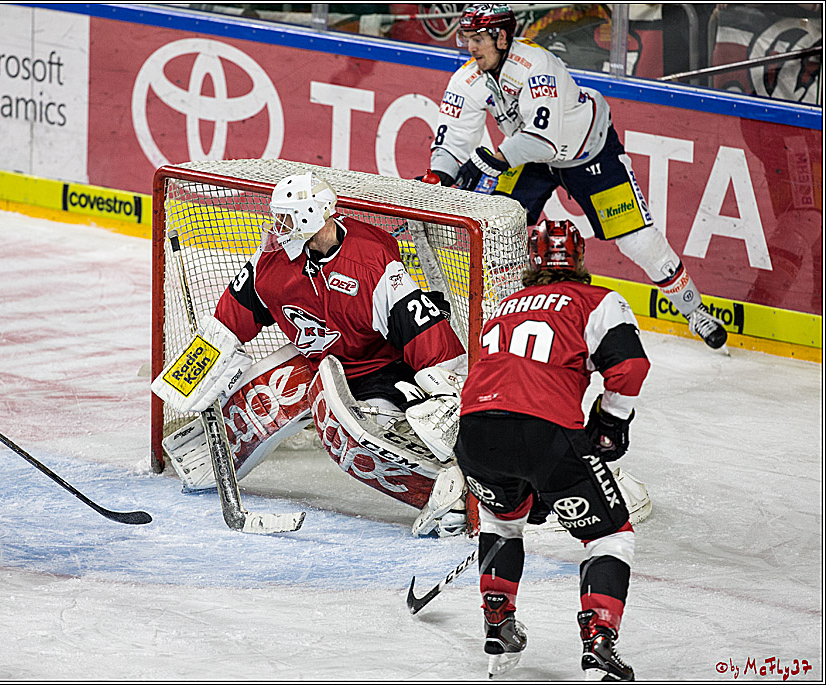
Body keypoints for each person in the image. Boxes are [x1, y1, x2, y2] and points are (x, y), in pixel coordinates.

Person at [153, 171, 471, 537]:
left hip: (382, 370)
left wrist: (449, 394)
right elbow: (227, 322)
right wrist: (194, 372)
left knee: (379, 439)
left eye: (286, 218)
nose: (277, 226)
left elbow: (426, 333)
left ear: (310, 217)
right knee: (271, 392)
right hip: (315, 362)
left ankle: (455, 492)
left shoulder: (372, 263)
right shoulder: (271, 263)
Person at [424, 3, 727, 351]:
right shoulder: (469, 77)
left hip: (588, 151)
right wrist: (439, 175)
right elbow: (453, 137)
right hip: (527, 157)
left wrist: (489, 161)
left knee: (637, 240)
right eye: (467, 38)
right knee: (497, 229)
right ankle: (506, 315)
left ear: (502, 36)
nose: (471, 47)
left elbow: (543, 139)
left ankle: (695, 311)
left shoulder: (538, 66)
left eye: (478, 39)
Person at [456, 218, 647, 680]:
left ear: (532, 261)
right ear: (579, 260)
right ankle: (598, 640)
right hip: (544, 433)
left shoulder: (505, 305)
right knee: (610, 535)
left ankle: (498, 622)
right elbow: (630, 366)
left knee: (503, 524)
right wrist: (609, 424)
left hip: (475, 432)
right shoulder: (598, 300)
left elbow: (498, 380)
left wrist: (531, 482)